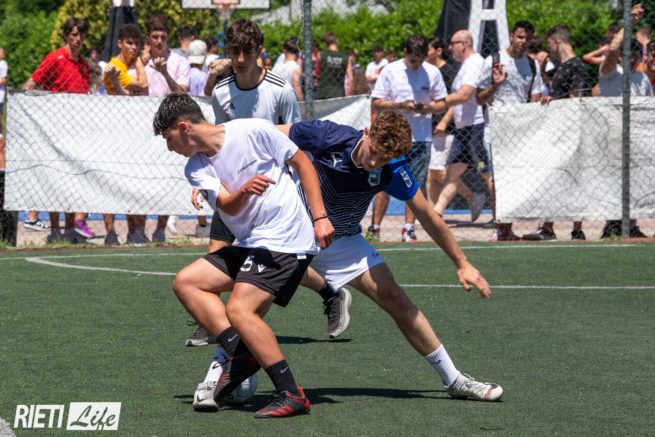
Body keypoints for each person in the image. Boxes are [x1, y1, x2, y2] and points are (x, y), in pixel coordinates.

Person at [192, 111, 503, 413]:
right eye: (373, 152)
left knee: (396, 299)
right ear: (366, 132)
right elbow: (259, 136)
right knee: (248, 307)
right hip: (293, 230)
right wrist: (210, 178)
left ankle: (454, 379)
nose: (374, 162)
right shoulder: (329, 136)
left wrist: (462, 263)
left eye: (383, 159)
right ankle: (215, 378)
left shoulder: (393, 169)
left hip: (342, 241)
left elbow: (427, 215)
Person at [153, 92, 334, 418]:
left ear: (183, 128)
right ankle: (242, 350)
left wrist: (320, 217)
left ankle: (291, 394)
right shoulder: (196, 167)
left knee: (239, 309)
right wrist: (244, 190)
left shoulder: (253, 129)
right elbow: (227, 205)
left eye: (168, 139)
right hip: (253, 242)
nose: (169, 148)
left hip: (286, 238)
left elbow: (303, 163)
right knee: (187, 282)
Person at [188, 19, 350, 350]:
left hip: (273, 193)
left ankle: (331, 292)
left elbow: (297, 142)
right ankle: (211, 322)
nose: (240, 59)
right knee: (217, 253)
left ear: (259, 51)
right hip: (234, 188)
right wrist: (203, 181)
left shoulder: (280, 90)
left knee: (280, 260)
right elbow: (216, 140)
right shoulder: (221, 91)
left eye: (247, 51)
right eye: (235, 51)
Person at [368, 34, 448, 243]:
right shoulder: (390, 70)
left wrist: (427, 108)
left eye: (421, 60)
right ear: (405, 53)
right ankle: (375, 228)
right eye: (413, 60)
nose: (416, 64)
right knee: (383, 182)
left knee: (415, 184)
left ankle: (409, 229)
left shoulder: (432, 72)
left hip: (420, 137)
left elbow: (442, 103)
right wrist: (401, 105)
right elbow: (376, 102)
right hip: (391, 137)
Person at [22, 17, 94, 243]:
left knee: (73, 180)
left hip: (76, 130)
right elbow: (33, 82)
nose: (78, 39)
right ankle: (54, 229)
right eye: (73, 34)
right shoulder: (55, 58)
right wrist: (24, 106)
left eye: (81, 34)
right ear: (66, 36)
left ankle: (70, 228)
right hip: (54, 128)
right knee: (55, 179)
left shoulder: (83, 65)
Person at [477, 20, 543, 241]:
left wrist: (541, 103)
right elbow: (479, 98)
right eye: (520, 37)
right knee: (498, 179)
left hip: (521, 131)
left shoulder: (533, 65)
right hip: (495, 128)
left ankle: (508, 228)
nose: (523, 42)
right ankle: (500, 226)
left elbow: (534, 97)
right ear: (511, 36)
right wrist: (496, 84)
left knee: (514, 179)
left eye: (527, 38)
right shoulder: (494, 60)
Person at [522, 24, 589, 241]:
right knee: (552, 178)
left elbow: (575, 98)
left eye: (550, 43)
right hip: (558, 130)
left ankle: (576, 229)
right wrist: (543, 69)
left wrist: (556, 101)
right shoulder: (562, 66)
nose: (548, 47)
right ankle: (548, 227)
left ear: (557, 41)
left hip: (570, 130)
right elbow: (554, 84)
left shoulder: (576, 66)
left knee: (572, 179)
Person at [598, 6, 651, 239]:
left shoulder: (642, 78)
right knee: (613, 180)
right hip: (612, 133)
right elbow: (611, 50)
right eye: (628, 54)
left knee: (635, 180)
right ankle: (612, 224)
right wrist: (628, 23)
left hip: (637, 136)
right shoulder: (611, 73)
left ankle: (631, 223)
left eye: (636, 55)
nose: (632, 59)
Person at [433, 30, 492, 229]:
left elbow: (465, 94)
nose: (450, 48)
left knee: (486, 172)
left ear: (464, 44)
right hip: (463, 129)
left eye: (453, 43)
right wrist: (444, 119)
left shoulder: (475, 63)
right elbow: (458, 100)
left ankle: (500, 216)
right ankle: (436, 213)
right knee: (452, 173)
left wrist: (436, 104)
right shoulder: (465, 66)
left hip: (475, 128)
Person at [139, 14, 190, 244]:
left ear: (168, 37)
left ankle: (160, 228)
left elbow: (183, 93)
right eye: (154, 37)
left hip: (170, 126)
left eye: (162, 36)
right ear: (148, 38)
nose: (159, 41)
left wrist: (164, 72)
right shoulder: (140, 62)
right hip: (143, 125)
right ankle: (138, 228)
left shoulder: (179, 61)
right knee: (141, 177)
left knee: (167, 177)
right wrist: (142, 63)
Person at [424, 37, 480, 227]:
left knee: (441, 172)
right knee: (434, 173)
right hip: (435, 126)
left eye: (428, 50)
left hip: (449, 128)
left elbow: (454, 101)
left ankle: (470, 197)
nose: (425, 54)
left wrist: (444, 121)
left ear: (438, 51)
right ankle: (434, 213)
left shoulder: (449, 72)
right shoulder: (429, 71)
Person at [102, 23, 149, 245]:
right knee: (110, 182)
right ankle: (110, 233)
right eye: (129, 43)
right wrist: (139, 61)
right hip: (115, 129)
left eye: (136, 43)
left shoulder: (128, 65)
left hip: (133, 131)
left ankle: (135, 231)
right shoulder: (115, 66)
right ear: (119, 43)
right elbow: (143, 83)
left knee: (135, 181)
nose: (133, 47)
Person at [187, 38, 212, 238]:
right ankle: (203, 221)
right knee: (204, 171)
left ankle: (201, 221)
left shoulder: (185, 75)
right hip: (202, 125)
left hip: (188, 127)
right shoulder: (204, 76)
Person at [316, 32, 351, 99]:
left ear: (326, 43)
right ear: (337, 41)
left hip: (324, 93)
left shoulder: (320, 55)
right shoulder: (345, 57)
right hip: (339, 93)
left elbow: (317, 72)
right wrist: (349, 95)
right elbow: (350, 78)